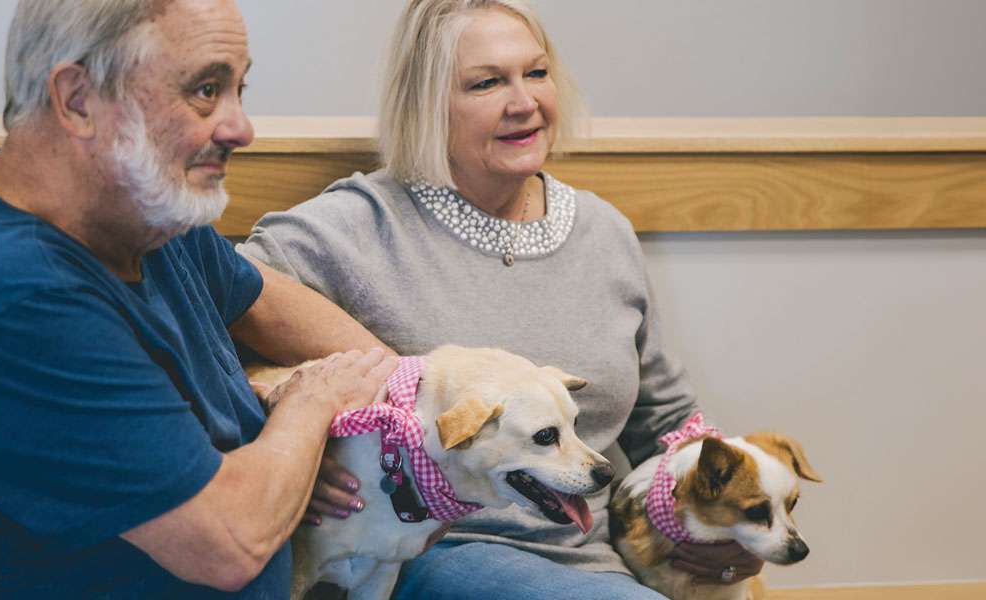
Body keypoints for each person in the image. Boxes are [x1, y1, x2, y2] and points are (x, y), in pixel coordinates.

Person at [238, 1, 764, 598]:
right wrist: (291, 455)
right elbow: (204, 334)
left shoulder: (604, 231)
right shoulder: (351, 227)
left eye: (536, 74)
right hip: (437, 552)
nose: (524, 102)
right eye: (487, 83)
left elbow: (664, 423)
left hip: (602, 558)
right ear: (428, 102)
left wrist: (727, 528)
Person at [0, 1, 398, 597]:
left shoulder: (146, 205)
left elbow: (265, 303)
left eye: (239, 88)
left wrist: (410, 396)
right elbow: (227, 540)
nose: (240, 128)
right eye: (206, 90)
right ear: (78, 100)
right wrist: (313, 406)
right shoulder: (23, 292)